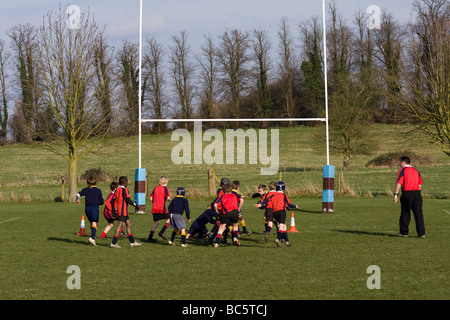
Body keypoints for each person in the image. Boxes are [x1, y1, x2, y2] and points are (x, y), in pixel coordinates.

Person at [258, 181, 297, 247]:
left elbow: (266, 200)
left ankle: (286, 241)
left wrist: (261, 204)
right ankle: (279, 238)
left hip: (272, 211)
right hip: (281, 211)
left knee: (279, 225)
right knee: (281, 226)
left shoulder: (271, 195)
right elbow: (287, 203)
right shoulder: (283, 195)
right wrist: (294, 206)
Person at [394, 156, 426, 238]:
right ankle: (421, 233)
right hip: (417, 193)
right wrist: (418, 192)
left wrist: (396, 194)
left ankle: (404, 233)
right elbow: (420, 183)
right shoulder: (416, 170)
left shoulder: (402, 170)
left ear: (404, 162)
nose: (399, 163)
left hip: (407, 193)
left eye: (400, 162)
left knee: (405, 213)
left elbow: (399, 182)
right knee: (418, 214)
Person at [110, 176, 141, 248]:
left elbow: (112, 201)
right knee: (120, 225)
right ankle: (113, 243)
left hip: (121, 211)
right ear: (125, 183)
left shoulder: (117, 190)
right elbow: (128, 200)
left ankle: (132, 242)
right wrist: (135, 205)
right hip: (123, 211)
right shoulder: (124, 190)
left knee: (128, 224)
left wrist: (113, 210)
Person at [76, 176, 104, 246]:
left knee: (92, 223)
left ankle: (93, 238)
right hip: (94, 208)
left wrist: (77, 200)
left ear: (88, 183)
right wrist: (99, 203)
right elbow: (102, 201)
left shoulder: (85, 190)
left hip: (87, 209)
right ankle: (92, 238)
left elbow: (77, 195)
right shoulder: (98, 191)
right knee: (94, 223)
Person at [213, 183, 241, 247]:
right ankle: (235, 238)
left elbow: (215, 204)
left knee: (221, 228)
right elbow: (241, 200)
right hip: (234, 212)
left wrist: (217, 211)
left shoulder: (222, 196)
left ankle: (217, 243)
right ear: (231, 189)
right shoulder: (234, 195)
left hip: (225, 213)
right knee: (235, 226)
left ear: (223, 190)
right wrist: (239, 208)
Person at [148, 175, 172, 242]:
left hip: (154, 208)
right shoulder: (165, 189)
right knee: (169, 219)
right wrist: (170, 201)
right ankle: (162, 232)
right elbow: (168, 197)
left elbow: (150, 198)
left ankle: (150, 237)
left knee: (156, 222)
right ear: (166, 182)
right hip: (161, 208)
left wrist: (155, 202)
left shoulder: (155, 188)